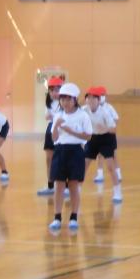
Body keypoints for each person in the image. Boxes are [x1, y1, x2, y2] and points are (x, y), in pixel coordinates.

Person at [49, 83, 92, 231]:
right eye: (63, 99)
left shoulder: (83, 115)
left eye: (68, 99)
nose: (65, 102)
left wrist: (70, 130)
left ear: (75, 100)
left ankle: (73, 217)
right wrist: (56, 126)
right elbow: (54, 138)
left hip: (76, 151)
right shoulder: (58, 115)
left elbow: (88, 136)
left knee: (74, 186)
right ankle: (57, 217)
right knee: (59, 186)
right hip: (60, 151)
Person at [82, 87, 122, 203]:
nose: (90, 100)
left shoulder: (105, 112)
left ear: (98, 100)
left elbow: (113, 129)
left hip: (106, 138)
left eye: (93, 98)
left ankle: (117, 191)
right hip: (92, 138)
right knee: (83, 165)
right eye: (88, 98)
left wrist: (104, 128)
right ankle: (75, 189)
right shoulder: (84, 110)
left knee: (110, 166)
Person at [38, 76, 64, 195]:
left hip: (62, 131)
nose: (54, 93)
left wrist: (55, 117)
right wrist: (54, 117)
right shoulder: (49, 103)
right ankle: (50, 186)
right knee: (49, 159)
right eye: (51, 90)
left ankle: (66, 186)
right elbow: (47, 116)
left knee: (63, 159)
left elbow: (63, 118)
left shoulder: (66, 102)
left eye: (57, 90)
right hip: (50, 129)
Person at [94, 86, 122, 183]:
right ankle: (100, 174)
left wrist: (109, 127)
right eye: (99, 95)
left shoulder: (109, 107)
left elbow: (116, 119)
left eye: (103, 95)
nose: (101, 97)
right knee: (99, 155)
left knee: (113, 155)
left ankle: (118, 173)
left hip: (109, 134)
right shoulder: (95, 108)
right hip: (98, 134)